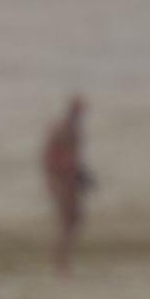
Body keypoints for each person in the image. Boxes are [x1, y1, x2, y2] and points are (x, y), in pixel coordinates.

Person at [42, 95, 94, 277]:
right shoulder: (66, 130)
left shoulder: (69, 129)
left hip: (66, 182)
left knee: (72, 221)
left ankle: (63, 261)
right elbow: (57, 159)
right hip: (63, 183)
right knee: (68, 222)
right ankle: (61, 263)